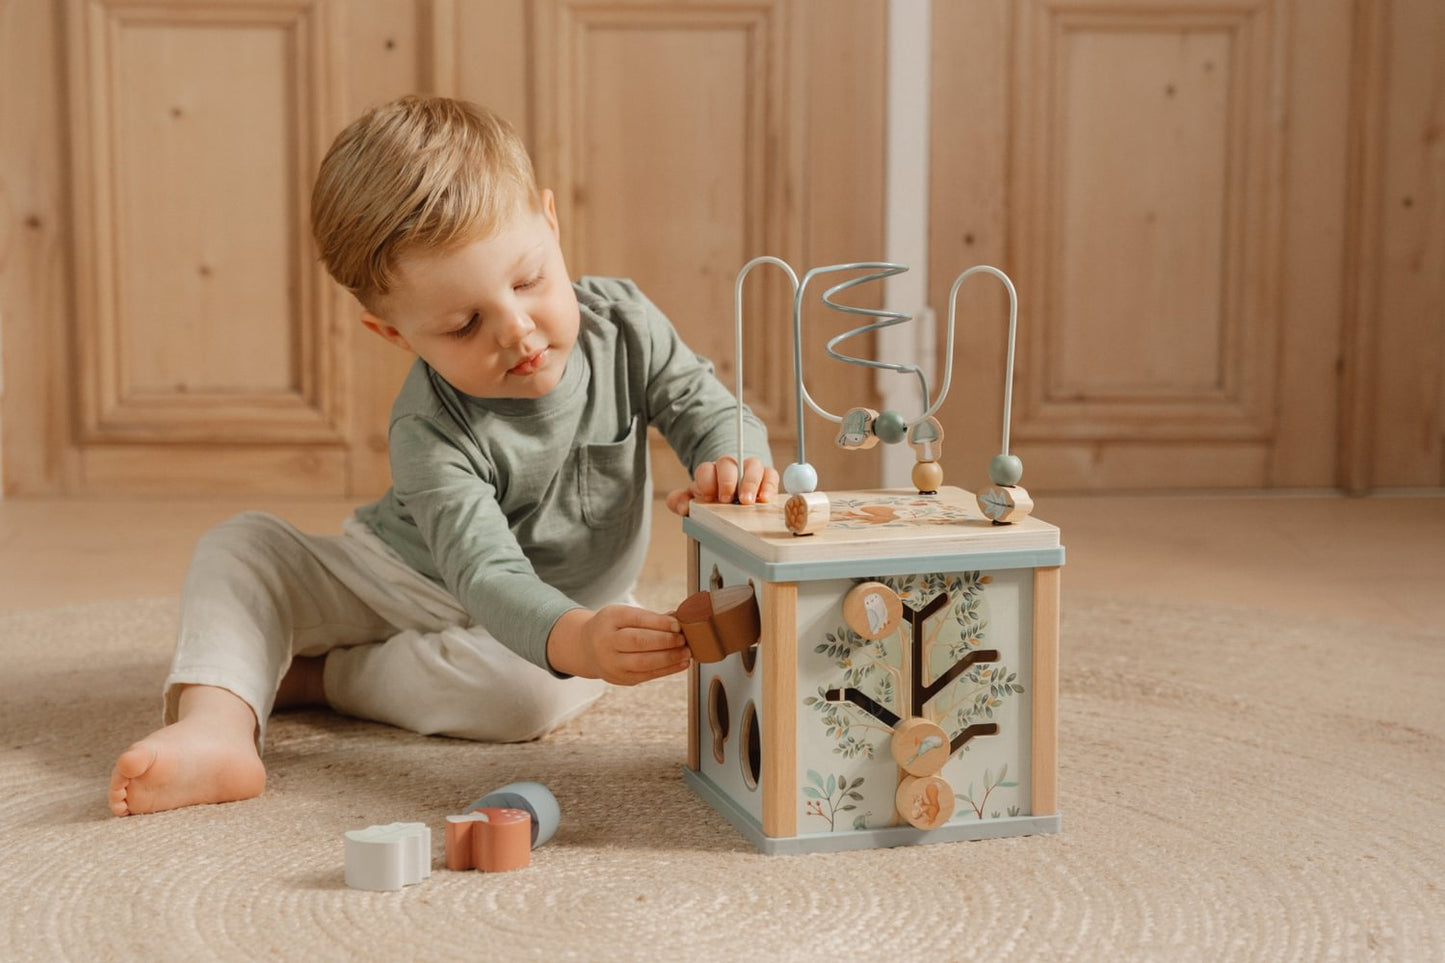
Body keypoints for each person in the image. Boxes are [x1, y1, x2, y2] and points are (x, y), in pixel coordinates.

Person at [108, 95, 776, 817]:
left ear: (550, 223)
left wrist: (731, 458)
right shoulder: (427, 427)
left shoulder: (626, 324)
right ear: (393, 333)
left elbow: (704, 406)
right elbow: (482, 573)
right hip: (403, 574)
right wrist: (579, 641)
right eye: (463, 324)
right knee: (238, 549)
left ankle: (320, 679)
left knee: (527, 695)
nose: (517, 331)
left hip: (566, 609)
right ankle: (215, 726)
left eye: (527, 281)